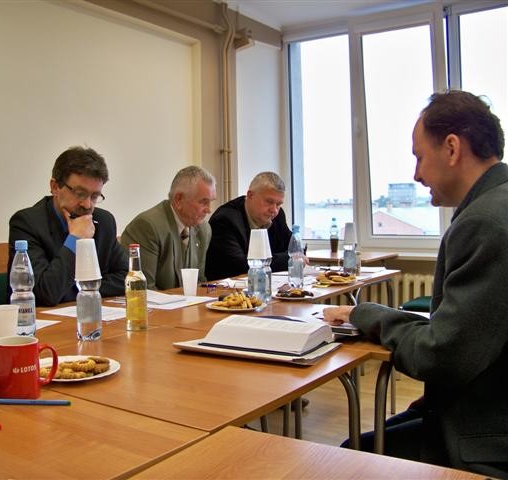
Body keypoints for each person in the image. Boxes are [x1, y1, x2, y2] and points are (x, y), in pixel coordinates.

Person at [323, 90, 507, 478]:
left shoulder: (484, 223)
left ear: (452, 148)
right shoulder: (496, 205)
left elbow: (438, 355)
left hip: (487, 440)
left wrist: (364, 314)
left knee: (348, 459)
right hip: (484, 407)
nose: (417, 175)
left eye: (419, 157)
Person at [8, 146, 128, 306]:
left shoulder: (104, 221)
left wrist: (81, 291)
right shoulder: (27, 223)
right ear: (55, 187)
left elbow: (127, 279)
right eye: (80, 193)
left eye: (94, 196)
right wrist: (75, 239)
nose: (87, 205)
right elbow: (44, 293)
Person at [120, 166, 216, 290]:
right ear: (179, 199)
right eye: (203, 202)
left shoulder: (204, 229)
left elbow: (200, 282)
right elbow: (144, 289)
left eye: (211, 201)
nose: (209, 210)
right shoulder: (147, 226)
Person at [206, 171, 293, 281]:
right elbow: (241, 267)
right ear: (250, 195)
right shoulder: (225, 220)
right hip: (225, 289)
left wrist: (290, 257)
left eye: (279, 204)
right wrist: (288, 259)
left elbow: (295, 248)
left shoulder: (277, 216)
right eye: (269, 202)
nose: (274, 210)